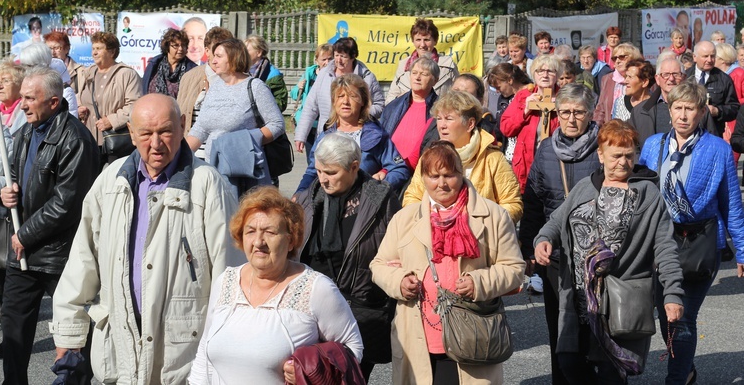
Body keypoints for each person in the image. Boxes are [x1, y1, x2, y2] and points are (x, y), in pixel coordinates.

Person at [51, 94, 238, 384]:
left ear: (183, 126)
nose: (156, 143)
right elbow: (82, 261)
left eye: (165, 131)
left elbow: (230, 275)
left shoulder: (208, 185)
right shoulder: (111, 180)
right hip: (119, 348)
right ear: (131, 132)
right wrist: (68, 333)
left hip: (182, 356)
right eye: (146, 133)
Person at [534, 120, 685, 385]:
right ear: (601, 155)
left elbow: (665, 246)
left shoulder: (648, 194)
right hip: (579, 299)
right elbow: (556, 222)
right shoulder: (584, 187)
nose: (623, 162)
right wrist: (544, 239)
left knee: (611, 373)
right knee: (569, 363)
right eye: (616, 156)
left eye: (629, 155)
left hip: (620, 299)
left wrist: (672, 293)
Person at [370, 141, 525, 385]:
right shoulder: (404, 219)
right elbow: (379, 265)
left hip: (473, 332)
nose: (441, 183)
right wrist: (399, 281)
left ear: (461, 173)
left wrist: (478, 282)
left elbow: (514, 268)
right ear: (423, 178)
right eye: (433, 176)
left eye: (448, 175)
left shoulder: (494, 215)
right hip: (418, 333)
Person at [189, 186, 363, 385]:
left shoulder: (315, 288)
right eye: (250, 231)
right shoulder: (226, 281)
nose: (258, 242)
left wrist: (311, 370)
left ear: (290, 241)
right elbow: (205, 350)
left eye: (270, 232)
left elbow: (353, 348)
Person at [0, 67, 101, 384]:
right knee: (13, 327)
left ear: (54, 102)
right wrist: (5, 193)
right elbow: (15, 179)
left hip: (62, 255)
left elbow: (67, 203)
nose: (24, 104)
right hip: (24, 251)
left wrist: (25, 235)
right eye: (23, 98)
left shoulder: (76, 140)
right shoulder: (26, 132)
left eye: (31, 98)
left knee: (71, 334)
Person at [639, 83, 744, 385]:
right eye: (678, 108)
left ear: (700, 112)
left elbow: (731, 203)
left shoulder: (718, 149)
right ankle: (686, 367)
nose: (683, 115)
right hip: (661, 242)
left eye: (690, 108)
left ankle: (677, 378)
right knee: (666, 315)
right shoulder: (653, 145)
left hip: (700, 242)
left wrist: (741, 249)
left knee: (683, 317)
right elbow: (641, 195)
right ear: (669, 110)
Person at [295, 134, 400, 379]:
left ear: (354, 167)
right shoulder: (308, 199)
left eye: (331, 172)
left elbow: (399, 245)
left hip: (360, 308)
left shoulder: (381, 200)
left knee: (350, 377)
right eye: (319, 171)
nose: (323, 179)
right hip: (313, 308)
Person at [518, 84, 601, 385]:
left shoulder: (603, 148)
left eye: (578, 112)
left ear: (591, 114)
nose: (571, 119)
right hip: (556, 256)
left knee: (597, 325)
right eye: (565, 112)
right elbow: (533, 202)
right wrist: (529, 248)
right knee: (559, 326)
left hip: (596, 254)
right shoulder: (546, 149)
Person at [403, 90, 523, 222]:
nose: (441, 126)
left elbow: (512, 204)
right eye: (439, 118)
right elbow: (412, 198)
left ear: (470, 124)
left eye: (449, 119)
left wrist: (484, 225)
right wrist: (430, 223)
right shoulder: (429, 157)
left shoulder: (492, 159)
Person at [186, 38, 285, 185]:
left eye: (219, 56)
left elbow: (277, 124)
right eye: (213, 56)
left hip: (246, 174)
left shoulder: (255, 87)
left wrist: (246, 141)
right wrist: (179, 156)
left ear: (234, 58)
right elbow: (200, 128)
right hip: (214, 172)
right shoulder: (215, 87)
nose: (213, 61)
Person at [296, 74, 410, 194]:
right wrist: (300, 193)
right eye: (340, 96)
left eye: (352, 96)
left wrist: (378, 186)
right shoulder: (325, 136)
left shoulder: (375, 135)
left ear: (363, 101)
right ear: (334, 102)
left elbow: (399, 169)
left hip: (365, 204)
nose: (345, 101)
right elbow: (312, 172)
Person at [294, 37, 385, 153]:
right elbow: (311, 106)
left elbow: (380, 105)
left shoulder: (367, 78)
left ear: (353, 56)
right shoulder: (324, 74)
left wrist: (360, 113)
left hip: (355, 140)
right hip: (326, 138)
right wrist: (301, 135)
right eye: (336, 55)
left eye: (343, 56)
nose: (339, 60)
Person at [500, 54, 563, 192]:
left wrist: (561, 110)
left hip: (555, 166)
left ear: (557, 75)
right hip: (525, 165)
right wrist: (525, 110)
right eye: (540, 71)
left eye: (550, 71)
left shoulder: (564, 98)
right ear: (533, 74)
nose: (545, 75)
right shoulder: (523, 96)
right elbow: (506, 129)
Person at [78, 32, 142, 165]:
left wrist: (112, 120)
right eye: (93, 49)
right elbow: (80, 97)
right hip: (89, 141)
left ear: (112, 52)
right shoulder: (87, 73)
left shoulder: (126, 74)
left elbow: (135, 105)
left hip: (115, 142)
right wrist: (80, 108)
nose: (94, 52)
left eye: (99, 49)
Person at [0, 61, 25, 320]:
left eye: (5, 79)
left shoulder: (22, 116)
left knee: (5, 265)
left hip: (6, 205)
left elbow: (15, 168)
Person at [380, 57, 439, 171]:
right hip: (389, 168)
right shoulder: (393, 107)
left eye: (424, 74)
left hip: (423, 170)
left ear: (435, 80)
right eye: (414, 73)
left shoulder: (440, 109)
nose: (417, 77)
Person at [177, 26, 235, 136]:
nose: (223, 56)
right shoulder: (189, 77)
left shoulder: (241, 78)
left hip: (226, 149)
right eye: (217, 52)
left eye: (227, 51)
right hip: (193, 150)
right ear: (207, 51)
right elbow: (180, 114)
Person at [386, 18, 459, 102]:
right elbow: (390, 99)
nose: (422, 44)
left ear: (435, 41)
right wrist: (401, 99)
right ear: (413, 41)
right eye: (418, 40)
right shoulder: (403, 66)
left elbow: (459, 96)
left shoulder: (448, 65)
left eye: (427, 40)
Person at [629, 52, 685, 148]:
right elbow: (633, 148)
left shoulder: (699, 110)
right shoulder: (639, 111)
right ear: (657, 79)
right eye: (666, 74)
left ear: (684, 78)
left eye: (676, 74)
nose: (671, 78)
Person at [684, 40, 739, 137]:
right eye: (705, 56)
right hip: (687, 134)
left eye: (712, 56)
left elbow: (734, 108)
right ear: (694, 57)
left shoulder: (724, 79)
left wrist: (717, 111)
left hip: (713, 134)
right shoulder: (684, 77)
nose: (709, 60)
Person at [292, 44, 334, 165]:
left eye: (330, 59)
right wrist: (299, 87)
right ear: (316, 60)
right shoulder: (309, 74)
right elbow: (295, 95)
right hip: (310, 122)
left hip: (325, 121)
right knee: (312, 157)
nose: (327, 62)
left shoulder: (333, 75)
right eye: (323, 59)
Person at [19, 42, 79, 117]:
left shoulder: (65, 91)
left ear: (42, 65)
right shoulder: (26, 88)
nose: (26, 71)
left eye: (29, 66)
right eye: (23, 67)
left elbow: (70, 123)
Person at [487, 63, 531, 162]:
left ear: (510, 80)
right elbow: (500, 128)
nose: (497, 91)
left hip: (525, 156)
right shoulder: (504, 99)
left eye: (498, 87)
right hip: (508, 155)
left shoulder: (530, 96)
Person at [593, 43, 643, 126]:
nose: (618, 61)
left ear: (633, 58)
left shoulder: (641, 79)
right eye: (614, 58)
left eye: (622, 57)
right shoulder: (607, 79)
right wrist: (596, 129)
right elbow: (601, 108)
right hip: (611, 130)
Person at [141, 27, 196, 98]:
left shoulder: (192, 69)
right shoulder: (154, 65)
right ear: (167, 47)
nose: (181, 49)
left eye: (183, 45)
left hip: (178, 109)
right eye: (176, 45)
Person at [246, 34, 288, 112]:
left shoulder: (273, 75)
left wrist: (258, 107)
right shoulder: (241, 71)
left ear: (258, 53)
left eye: (246, 50)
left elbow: (281, 103)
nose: (243, 53)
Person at [45, 30, 85, 95]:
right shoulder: (41, 71)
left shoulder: (80, 72)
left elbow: (84, 98)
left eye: (57, 48)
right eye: (49, 48)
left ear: (67, 49)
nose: (52, 53)